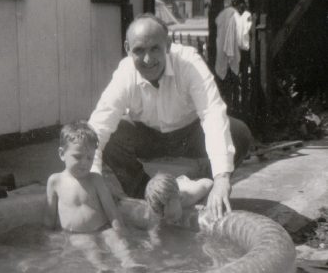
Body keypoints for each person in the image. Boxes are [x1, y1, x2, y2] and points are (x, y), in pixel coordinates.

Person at [88, 13, 252, 220]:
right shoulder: (124, 73)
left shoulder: (189, 62)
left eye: (155, 48)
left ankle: (202, 191)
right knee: (110, 135)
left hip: (190, 135)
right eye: (139, 50)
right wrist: (91, 178)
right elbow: (98, 127)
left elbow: (212, 114)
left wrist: (221, 179)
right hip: (147, 136)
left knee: (239, 133)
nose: (148, 60)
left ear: (168, 44)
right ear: (128, 48)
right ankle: (146, 195)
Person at [44, 121, 146, 272]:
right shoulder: (55, 181)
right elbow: (49, 217)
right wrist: (49, 238)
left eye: (90, 158)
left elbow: (111, 210)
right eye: (78, 157)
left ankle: (129, 263)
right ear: (61, 154)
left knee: (116, 240)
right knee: (88, 246)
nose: (85, 163)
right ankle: (102, 268)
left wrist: (120, 229)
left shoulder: (95, 179)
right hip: (76, 235)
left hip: (103, 229)